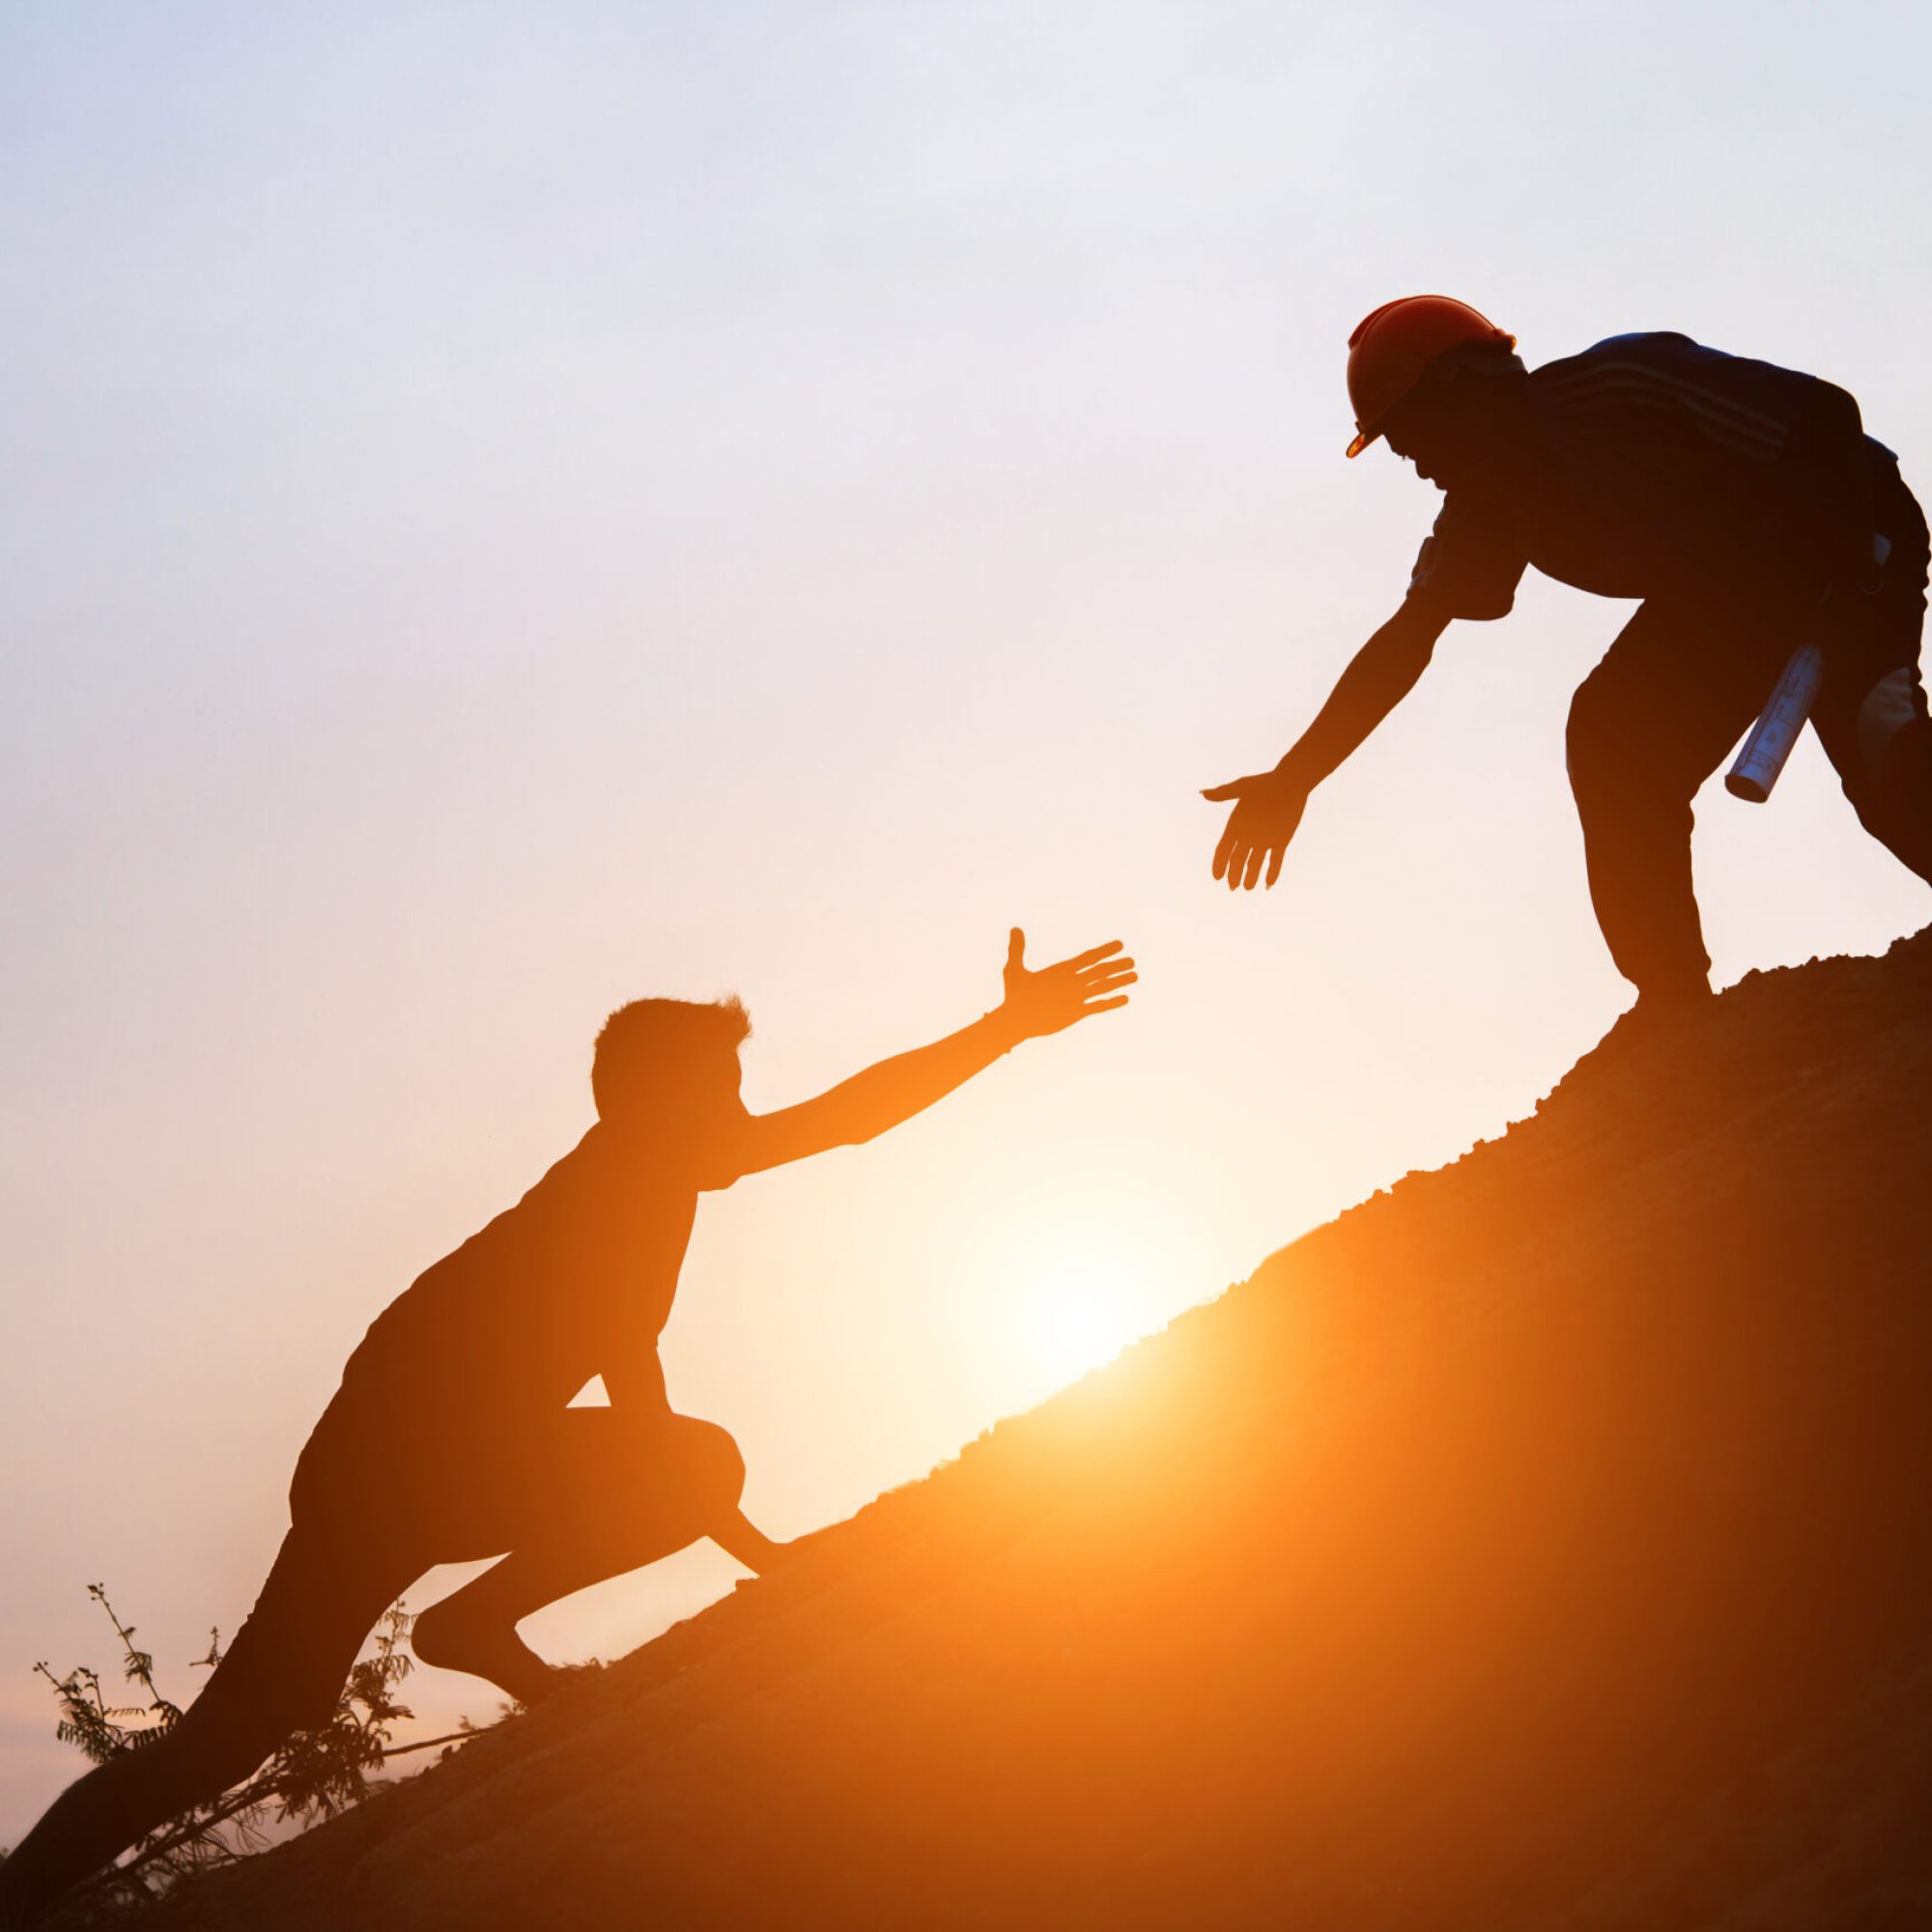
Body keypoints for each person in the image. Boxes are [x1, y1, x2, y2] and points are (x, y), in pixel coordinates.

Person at [0, 926, 1135, 1926]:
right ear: (650, 1099)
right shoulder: (630, 1176)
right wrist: (752, 1545)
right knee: (694, 1462)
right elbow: (826, 1140)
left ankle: (466, 1631)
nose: (740, 1111)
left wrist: (726, 1524)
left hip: (386, 1463)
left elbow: (671, 1313)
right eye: (721, 1088)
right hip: (396, 1461)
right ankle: (473, 1626)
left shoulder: (637, 1180)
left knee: (233, 1733)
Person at [1205, 296, 1932, 1017]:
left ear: (1463, 390)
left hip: (1857, 533)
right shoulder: (1486, 508)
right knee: (1612, 735)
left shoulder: (1621, 383)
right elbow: (1408, 639)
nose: (1417, 465)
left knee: (1879, 748)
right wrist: (1296, 777)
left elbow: (1826, 417)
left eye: (1413, 435)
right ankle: (1672, 1003)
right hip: (1732, 591)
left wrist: (1848, 569)